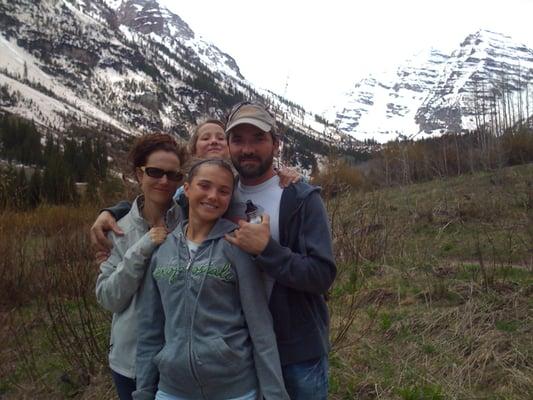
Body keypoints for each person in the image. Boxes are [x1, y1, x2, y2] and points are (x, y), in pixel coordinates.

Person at [133, 158, 289, 400]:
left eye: (223, 191)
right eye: (204, 186)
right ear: (186, 189)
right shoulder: (162, 251)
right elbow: (150, 329)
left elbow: (260, 327)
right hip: (172, 389)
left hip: (234, 389)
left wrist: (275, 394)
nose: (213, 196)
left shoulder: (236, 247)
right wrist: (143, 390)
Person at [222, 102, 336, 400]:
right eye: (238, 140)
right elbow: (168, 200)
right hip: (239, 350)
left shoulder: (300, 197)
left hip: (296, 351)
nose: (247, 149)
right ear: (228, 145)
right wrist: (114, 212)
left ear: (275, 142)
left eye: (258, 139)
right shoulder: (219, 196)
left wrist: (266, 250)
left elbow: (321, 275)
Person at [91, 118, 299, 264]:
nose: (214, 141)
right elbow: (153, 204)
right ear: (193, 149)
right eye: (205, 137)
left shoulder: (246, 183)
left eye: (220, 137)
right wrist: (113, 211)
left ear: (229, 147)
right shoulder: (183, 194)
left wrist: (286, 174)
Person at [95, 134, 188, 400]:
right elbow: (109, 298)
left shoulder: (190, 223)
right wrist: (143, 247)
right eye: (155, 172)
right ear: (139, 174)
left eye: (173, 175)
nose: (164, 181)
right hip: (131, 362)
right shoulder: (117, 229)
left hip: (180, 361)